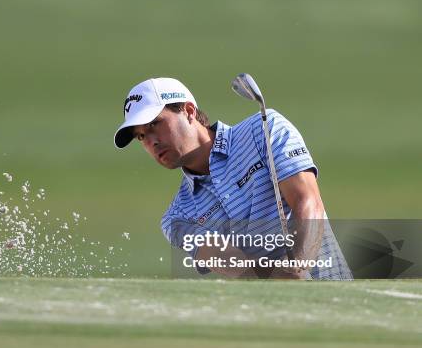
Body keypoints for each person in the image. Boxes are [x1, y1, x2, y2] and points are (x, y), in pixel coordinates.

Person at [114, 77, 352, 279]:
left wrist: (297, 267)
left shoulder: (264, 130)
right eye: (141, 136)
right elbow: (239, 269)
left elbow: (308, 203)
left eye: (155, 123)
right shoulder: (177, 218)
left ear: (188, 111)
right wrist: (281, 284)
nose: (151, 141)